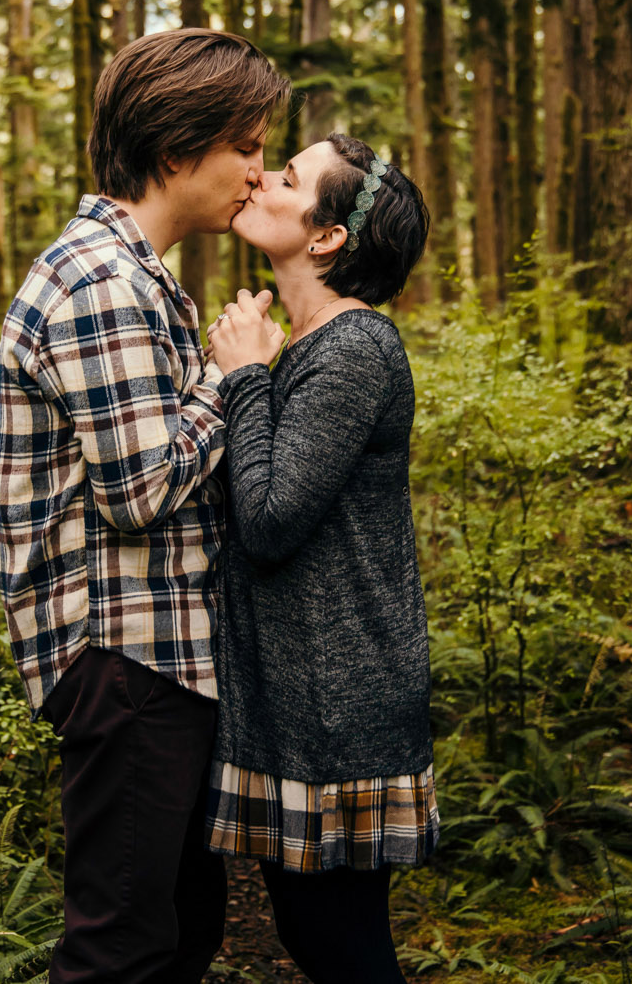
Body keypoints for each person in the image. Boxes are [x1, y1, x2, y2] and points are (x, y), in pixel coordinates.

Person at [0, 28, 288, 984]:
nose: (259, 169)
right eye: (244, 146)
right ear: (176, 150)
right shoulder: (101, 279)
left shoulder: (135, 270)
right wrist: (232, 376)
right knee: (120, 949)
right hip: (125, 660)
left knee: (181, 929)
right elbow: (140, 490)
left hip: (158, 656)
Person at [202, 133, 436, 984]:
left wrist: (243, 378)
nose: (261, 177)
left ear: (327, 234)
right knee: (318, 937)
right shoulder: (310, 343)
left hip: (339, 704)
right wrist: (257, 369)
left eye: (288, 176)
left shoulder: (355, 350)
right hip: (298, 695)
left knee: (340, 948)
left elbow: (267, 519)